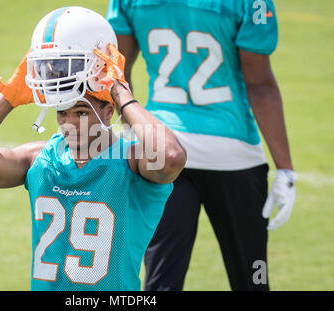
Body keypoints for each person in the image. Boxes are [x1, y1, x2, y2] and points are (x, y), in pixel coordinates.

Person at [0, 6, 186, 291]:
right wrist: (7, 98)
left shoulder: (132, 162)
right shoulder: (40, 160)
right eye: (61, 112)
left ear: (109, 111)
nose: (69, 123)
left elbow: (171, 157)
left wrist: (120, 90)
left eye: (81, 113)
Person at [106, 0, 295, 290]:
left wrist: (132, 130)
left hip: (163, 151)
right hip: (234, 153)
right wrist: (285, 170)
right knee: (254, 274)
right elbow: (260, 87)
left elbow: (118, 72)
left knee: (161, 282)